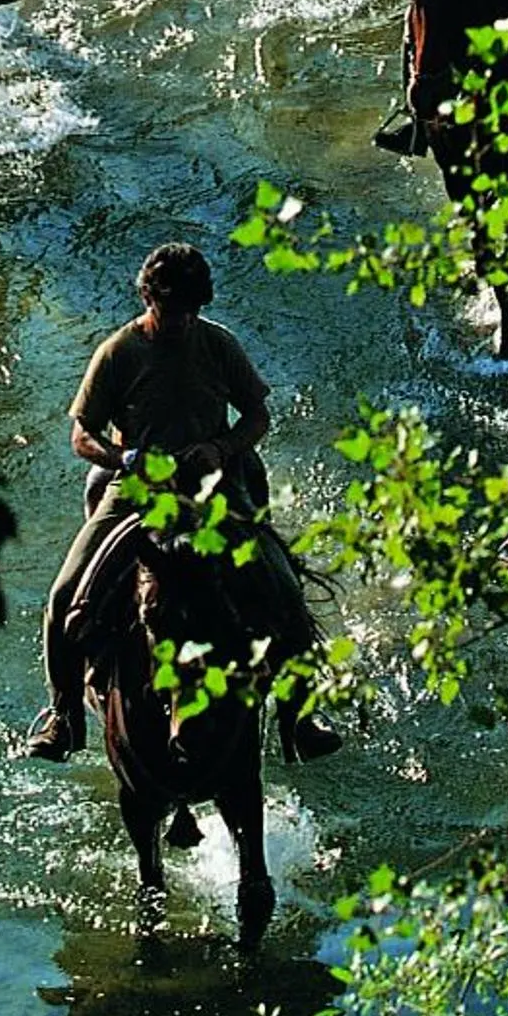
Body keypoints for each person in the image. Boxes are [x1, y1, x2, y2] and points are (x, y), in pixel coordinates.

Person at [27, 243, 341, 762]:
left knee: (285, 591)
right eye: (168, 309)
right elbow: (82, 435)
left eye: (188, 311)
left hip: (215, 491)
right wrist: (125, 459)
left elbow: (258, 417)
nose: (177, 321)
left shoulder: (220, 345)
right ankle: (63, 716)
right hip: (137, 497)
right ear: (148, 299)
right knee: (64, 598)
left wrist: (220, 447)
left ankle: (299, 717)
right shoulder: (119, 351)